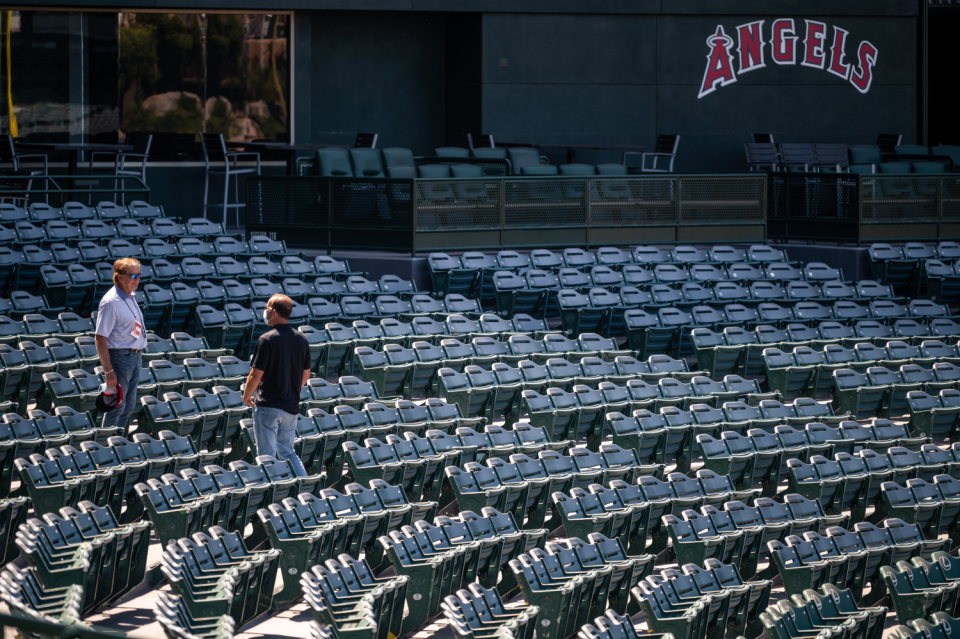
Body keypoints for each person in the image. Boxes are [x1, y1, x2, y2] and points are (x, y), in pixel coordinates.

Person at [241, 293, 311, 476]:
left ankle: (269, 492)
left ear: (274, 312)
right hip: (291, 406)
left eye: (267, 308)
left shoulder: (267, 339)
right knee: (289, 452)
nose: (265, 311)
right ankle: (303, 487)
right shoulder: (301, 339)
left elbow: (255, 376)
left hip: (269, 406)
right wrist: (291, 391)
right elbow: (306, 374)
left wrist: (246, 396)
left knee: (266, 455)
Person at [94, 257, 146, 432]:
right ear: (120, 277)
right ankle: (106, 446)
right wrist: (108, 371)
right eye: (133, 276)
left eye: (139, 275)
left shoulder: (130, 296)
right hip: (120, 357)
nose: (137, 279)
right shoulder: (111, 302)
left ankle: (119, 442)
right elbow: (100, 338)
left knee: (129, 406)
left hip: (135, 355)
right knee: (117, 406)